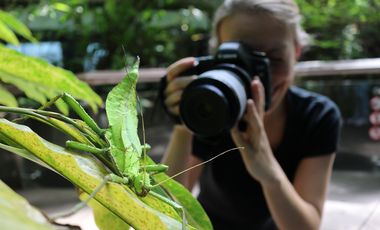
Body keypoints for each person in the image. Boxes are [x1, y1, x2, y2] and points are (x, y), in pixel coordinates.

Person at [160, 0, 342, 229]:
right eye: (241, 59)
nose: (260, 80)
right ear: (219, 55)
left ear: (296, 51)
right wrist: (183, 124)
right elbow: (163, 214)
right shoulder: (214, 108)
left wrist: (268, 171)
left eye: (274, 59)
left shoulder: (317, 116)